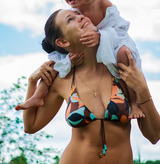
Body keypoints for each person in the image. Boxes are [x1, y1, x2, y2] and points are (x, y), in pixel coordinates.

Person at [23, 9, 160, 164]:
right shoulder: (63, 79)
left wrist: (142, 88)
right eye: (70, 19)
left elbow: (154, 135)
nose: (81, 17)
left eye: (79, 14)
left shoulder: (122, 70)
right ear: (63, 42)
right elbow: (30, 126)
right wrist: (32, 82)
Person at [16, 0, 143, 118]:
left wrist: (101, 36)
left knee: (124, 54)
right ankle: (37, 96)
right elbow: (73, 39)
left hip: (115, 43)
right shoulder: (75, 12)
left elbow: (120, 30)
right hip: (89, 48)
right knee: (55, 63)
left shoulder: (103, 4)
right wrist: (69, 58)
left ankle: (134, 102)